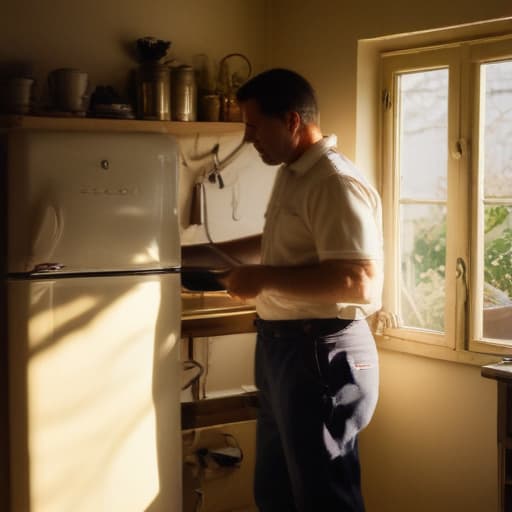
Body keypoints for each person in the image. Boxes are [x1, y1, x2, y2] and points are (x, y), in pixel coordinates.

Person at [184, 68, 383, 512]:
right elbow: (274, 245)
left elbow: (359, 281)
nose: (249, 138)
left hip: (320, 351)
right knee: (275, 494)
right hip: (283, 347)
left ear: (292, 121)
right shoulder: (295, 173)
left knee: (322, 498)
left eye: (255, 126)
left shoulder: (334, 182)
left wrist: (264, 279)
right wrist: (192, 253)